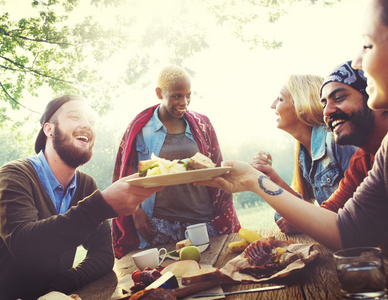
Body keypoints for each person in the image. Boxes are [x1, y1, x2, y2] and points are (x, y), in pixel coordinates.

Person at [195, 0, 388, 252]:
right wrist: (256, 180)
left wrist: (257, 180)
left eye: (368, 45)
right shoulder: (366, 159)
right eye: (324, 102)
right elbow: (339, 224)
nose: (359, 60)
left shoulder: (341, 145)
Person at [0, 95, 163, 300]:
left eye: (92, 122)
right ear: (49, 129)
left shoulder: (86, 185)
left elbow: (103, 255)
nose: (87, 125)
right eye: (75, 117)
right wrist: (101, 206)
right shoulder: (14, 175)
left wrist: (62, 284)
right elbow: (24, 245)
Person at [111, 65, 240, 258]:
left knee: (211, 269)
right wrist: (136, 212)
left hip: (202, 220)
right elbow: (127, 175)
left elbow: (216, 166)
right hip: (159, 224)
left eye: (188, 95)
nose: (184, 102)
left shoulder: (202, 124)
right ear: (159, 93)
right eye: (176, 96)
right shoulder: (140, 129)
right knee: (168, 279)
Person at [278, 61, 388, 234]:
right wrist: (260, 181)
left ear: (373, 97)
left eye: (339, 98)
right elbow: (333, 210)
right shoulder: (362, 160)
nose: (327, 112)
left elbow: (352, 226)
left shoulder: (338, 146)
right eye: (323, 105)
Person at [251, 74, 357, 229]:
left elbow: (360, 208)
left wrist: (305, 223)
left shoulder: (337, 141)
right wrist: (271, 179)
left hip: (365, 242)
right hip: (342, 236)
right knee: (280, 215)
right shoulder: (303, 153)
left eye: (280, 99)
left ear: (301, 105)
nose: (272, 105)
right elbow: (303, 208)